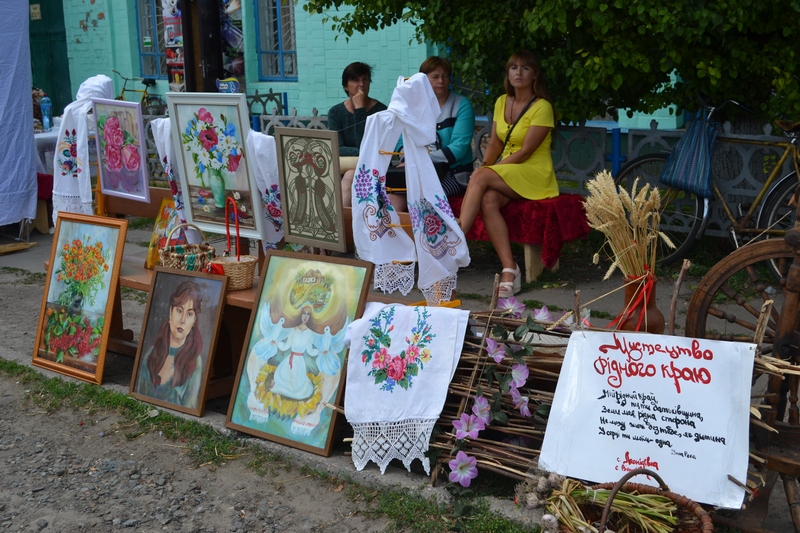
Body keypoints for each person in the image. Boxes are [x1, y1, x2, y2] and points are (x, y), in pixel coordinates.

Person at [458, 50, 558, 299]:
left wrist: (487, 172)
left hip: (534, 172)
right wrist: (486, 165)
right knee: (488, 199)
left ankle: (455, 243)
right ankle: (509, 268)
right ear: (508, 73)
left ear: (534, 74)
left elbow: (525, 152)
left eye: (525, 68)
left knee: (481, 177)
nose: (519, 73)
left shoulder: (542, 106)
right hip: (509, 169)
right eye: (514, 67)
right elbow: (493, 144)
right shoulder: (502, 101)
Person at [389, 56, 476, 213]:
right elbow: (401, 141)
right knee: (392, 198)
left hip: (453, 173)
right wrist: (408, 159)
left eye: (445, 76)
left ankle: (433, 237)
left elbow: (459, 147)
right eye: (435, 77)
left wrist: (418, 161)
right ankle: (396, 237)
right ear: (423, 80)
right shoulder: (413, 106)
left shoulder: (462, 105)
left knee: (424, 198)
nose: (441, 81)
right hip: (416, 170)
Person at [136, 280, 205, 408]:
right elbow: (139, 399)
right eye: (179, 311)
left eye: (189, 314)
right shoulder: (151, 354)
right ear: (170, 312)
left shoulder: (194, 363)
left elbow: (189, 410)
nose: (183, 320)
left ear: (194, 320)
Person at [327, 62, 388, 205]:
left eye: (365, 79)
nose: (361, 84)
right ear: (346, 86)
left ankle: (344, 222)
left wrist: (360, 109)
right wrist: (363, 152)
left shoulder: (381, 111)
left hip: (374, 168)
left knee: (351, 174)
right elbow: (337, 147)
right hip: (342, 168)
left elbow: (372, 148)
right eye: (355, 80)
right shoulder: (336, 112)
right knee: (349, 174)